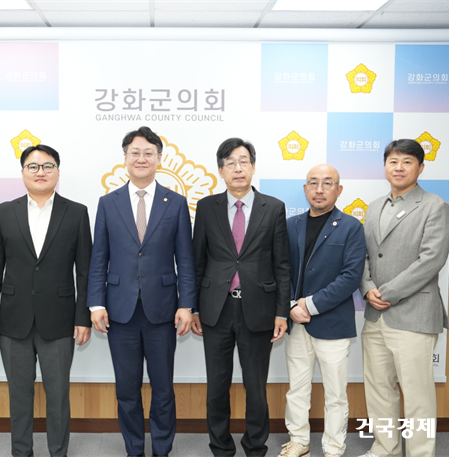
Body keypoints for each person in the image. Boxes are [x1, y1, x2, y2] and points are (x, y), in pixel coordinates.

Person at [87, 126, 197, 457]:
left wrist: (187, 305)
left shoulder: (175, 202)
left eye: (149, 153)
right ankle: (134, 449)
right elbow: (99, 257)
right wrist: (95, 304)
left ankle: (162, 449)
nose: (141, 158)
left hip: (163, 311)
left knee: (163, 389)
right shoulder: (108, 203)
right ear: (125, 158)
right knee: (126, 389)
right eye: (135, 152)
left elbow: (185, 260)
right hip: (119, 311)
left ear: (159, 158)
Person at [0, 144, 92, 457]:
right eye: (33, 166)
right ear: (23, 172)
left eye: (47, 166)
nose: (40, 172)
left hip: (59, 320)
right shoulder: (5, 211)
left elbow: (85, 271)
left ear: (57, 171)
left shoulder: (77, 212)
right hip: (14, 320)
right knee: (18, 395)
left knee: (58, 395)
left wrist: (82, 318)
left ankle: (59, 452)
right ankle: (21, 452)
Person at [192, 137, 291, 457]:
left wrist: (281, 312)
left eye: (243, 161)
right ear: (220, 170)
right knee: (217, 385)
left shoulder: (273, 207)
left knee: (256, 386)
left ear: (253, 167)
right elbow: (197, 262)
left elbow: (282, 265)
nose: (238, 168)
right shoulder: (206, 207)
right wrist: (193, 308)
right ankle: (220, 447)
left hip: (258, 309)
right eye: (230, 163)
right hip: (215, 309)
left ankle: (255, 446)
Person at [358, 139, 449, 457]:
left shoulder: (434, 206)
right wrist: (367, 287)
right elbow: (364, 255)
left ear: (420, 168)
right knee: (379, 390)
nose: (399, 167)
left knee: (417, 395)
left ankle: (420, 452)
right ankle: (385, 447)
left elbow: (431, 260)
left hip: (413, 314)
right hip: (375, 315)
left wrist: (387, 292)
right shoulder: (374, 206)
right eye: (393, 161)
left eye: (407, 161)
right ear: (385, 166)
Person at [278, 164, 366, 457]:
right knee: (297, 388)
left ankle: (333, 447)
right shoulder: (290, 225)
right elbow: (280, 270)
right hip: (296, 321)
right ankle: (299, 441)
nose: (319, 189)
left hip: (332, 322)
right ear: (305, 189)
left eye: (327, 183)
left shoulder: (352, 226)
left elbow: (351, 277)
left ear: (339, 190)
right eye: (313, 183)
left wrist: (310, 304)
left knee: (336, 392)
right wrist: (291, 305)